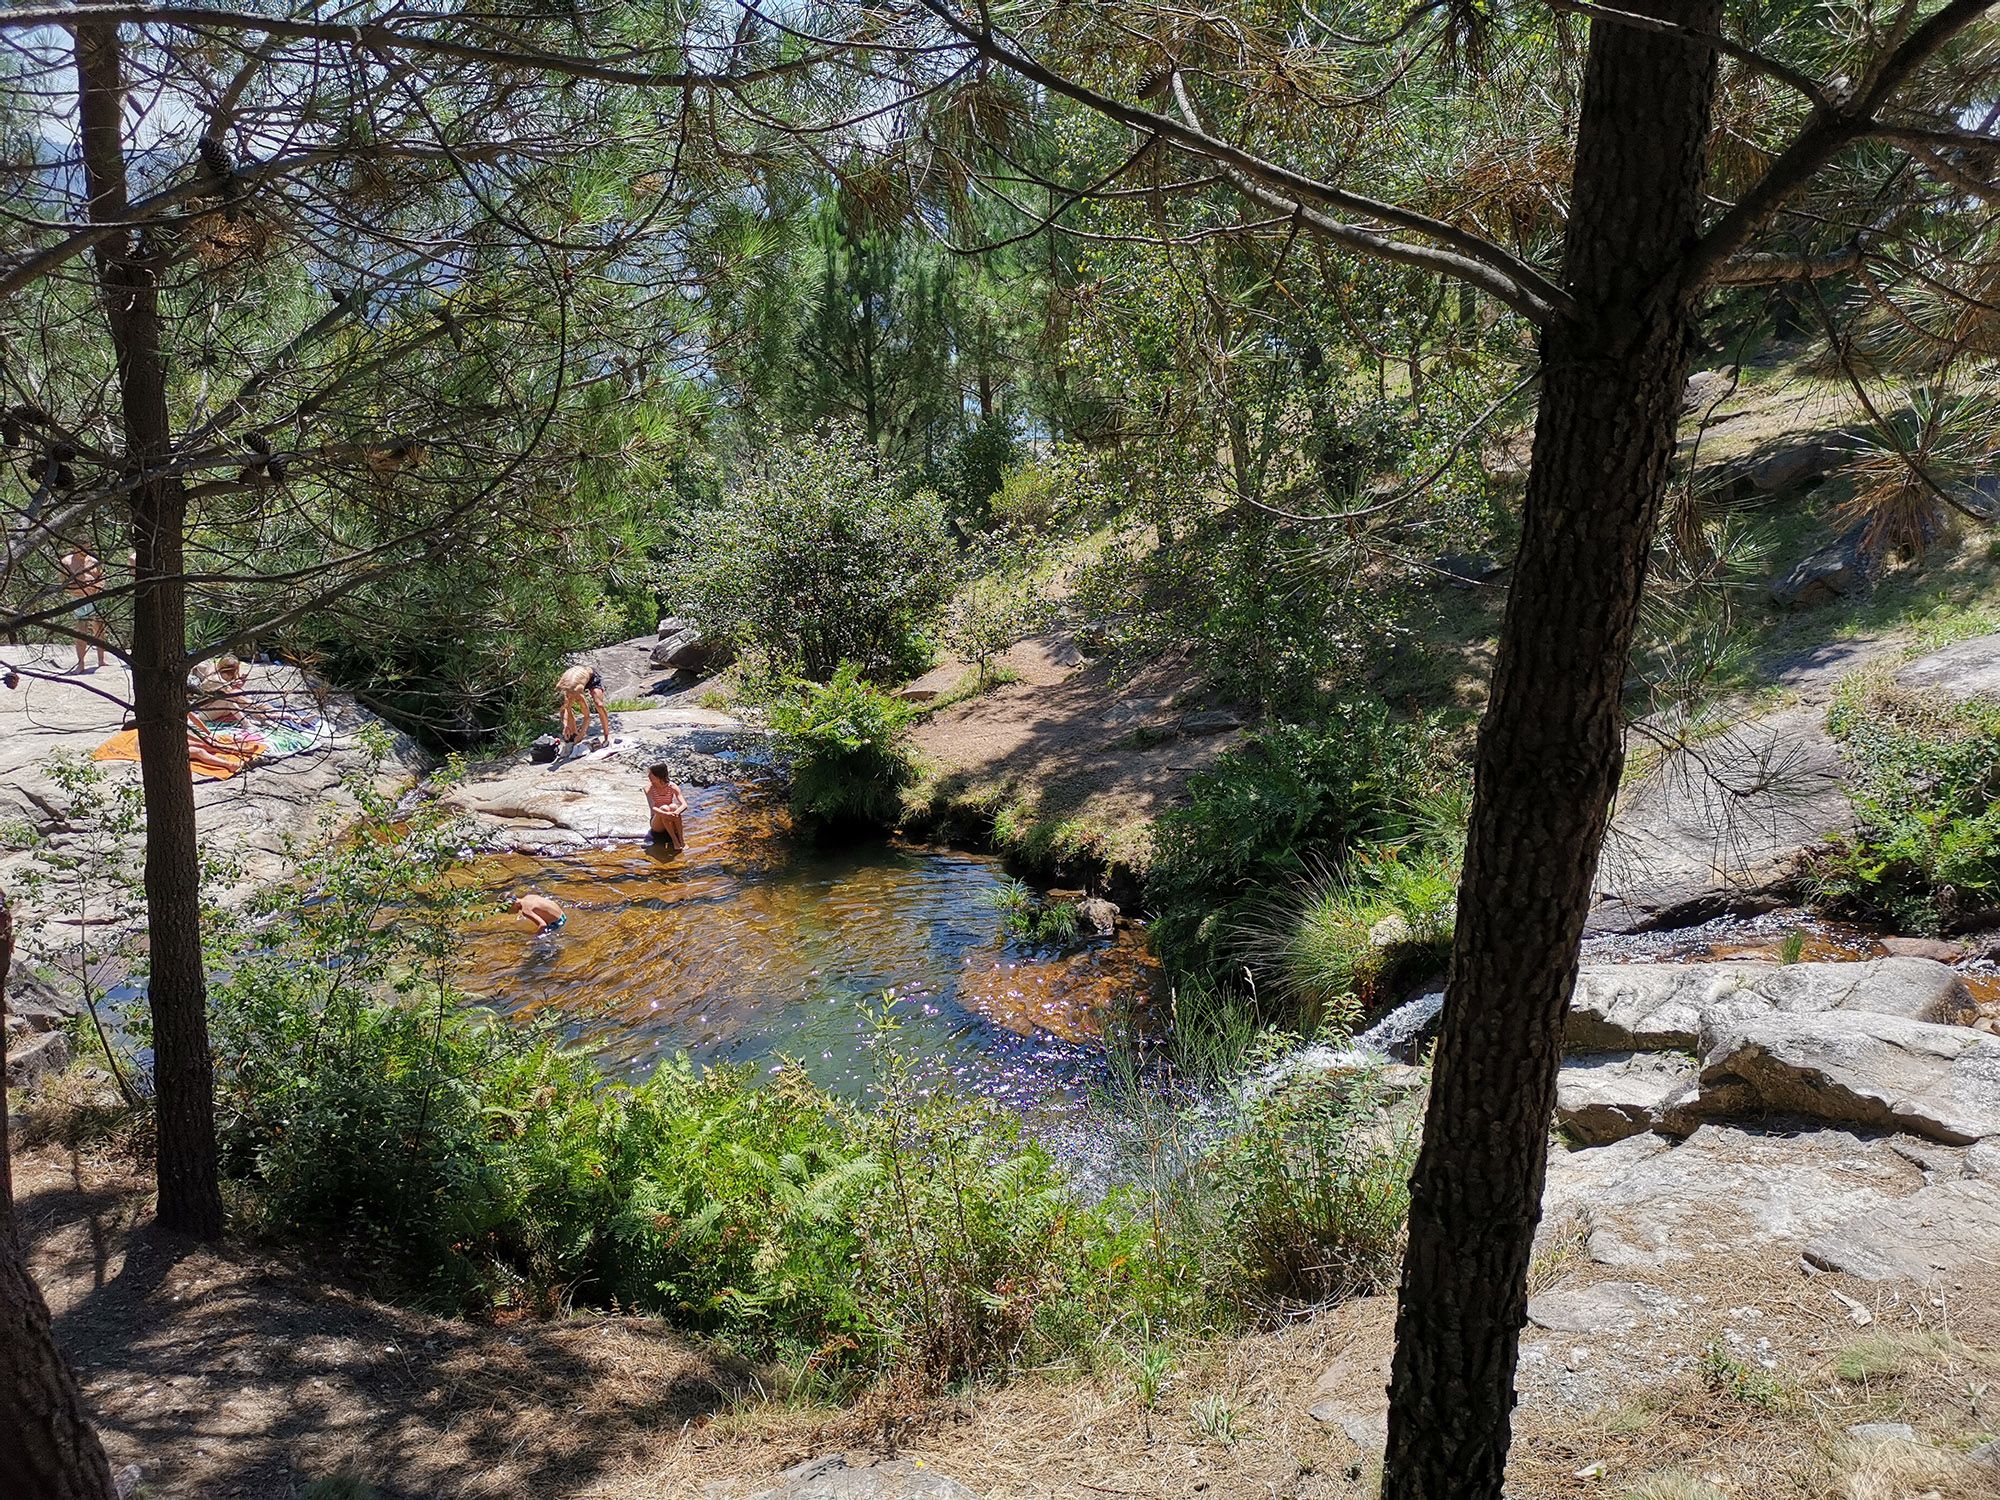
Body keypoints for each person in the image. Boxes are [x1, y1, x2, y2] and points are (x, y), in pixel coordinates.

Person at [58, 547, 108, 673]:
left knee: (100, 629)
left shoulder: (93, 560)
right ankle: (81, 664)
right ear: (74, 546)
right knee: (82, 631)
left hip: (95, 597)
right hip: (78, 599)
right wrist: (76, 589)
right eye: (82, 547)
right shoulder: (66, 562)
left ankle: (101, 660)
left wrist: (97, 587)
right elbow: (63, 583)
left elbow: (102, 577)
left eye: (88, 547)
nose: (85, 551)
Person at [555, 663, 611, 754]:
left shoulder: (576, 691)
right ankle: (573, 734)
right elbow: (564, 710)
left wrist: (582, 734)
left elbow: (587, 716)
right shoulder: (559, 689)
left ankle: (606, 736)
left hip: (591, 677)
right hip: (573, 682)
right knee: (567, 708)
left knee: (599, 705)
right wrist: (565, 726)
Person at [646, 763, 687, 852]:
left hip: (671, 817)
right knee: (664, 808)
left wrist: (676, 813)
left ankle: (681, 840)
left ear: (658, 776)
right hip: (657, 822)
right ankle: (675, 841)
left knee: (673, 806)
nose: (648, 776)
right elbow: (652, 807)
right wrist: (666, 814)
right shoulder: (649, 789)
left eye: (650, 774)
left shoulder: (672, 787)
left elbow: (684, 805)